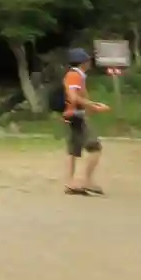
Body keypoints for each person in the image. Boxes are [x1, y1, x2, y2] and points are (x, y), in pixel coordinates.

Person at [62, 47, 109, 196]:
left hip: (71, 115)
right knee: (95, 147)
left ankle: (70, 183)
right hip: (77, 115)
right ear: (83, 62)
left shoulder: (74, 75)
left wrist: (92, 105)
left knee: (73, 150)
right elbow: (74, 97)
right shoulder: (75, 75)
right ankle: (86, 180)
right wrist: (92, 106)